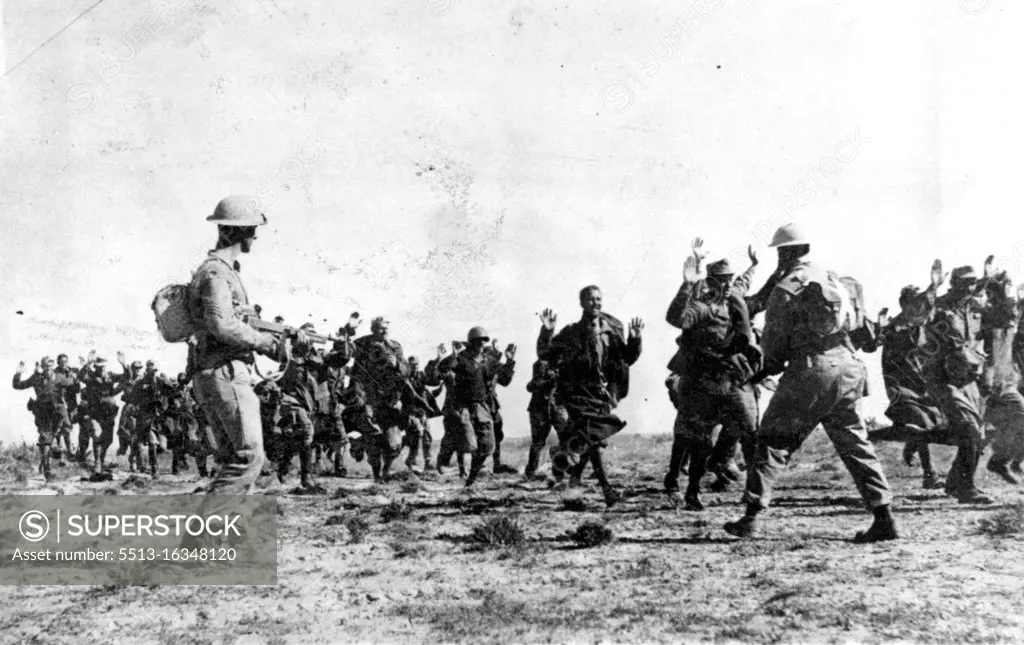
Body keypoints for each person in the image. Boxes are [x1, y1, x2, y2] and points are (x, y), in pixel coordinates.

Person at [724, 223, 897, 542]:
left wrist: (758, 372)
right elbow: (863, 334)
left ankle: (751, 517)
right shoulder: (839, 281)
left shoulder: (787, 288)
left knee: (773, 440)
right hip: (848, 369)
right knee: (855, 443)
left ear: (784, 253)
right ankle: (883, 515)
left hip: (811, 372)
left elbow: (774, 349)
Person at [185, 195, 292, 495]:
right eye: (250, 229)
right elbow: (221, 325)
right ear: (235, 231)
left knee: (234, 460)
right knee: (248, 459)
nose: (255, 236)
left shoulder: (221, 271)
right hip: (226, 374)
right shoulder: (217, 272)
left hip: (217, 373)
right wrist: (265, 344)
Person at [665, 255, 762, 511]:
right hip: (703, 381)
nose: (728, 284)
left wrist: (756, 265)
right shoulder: (701, 307)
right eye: (722, 280)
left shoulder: (735, 300)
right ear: (711, 282)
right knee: (698, 439)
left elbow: (746, 281)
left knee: (750, 431)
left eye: (730, 278)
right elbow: (677, 319)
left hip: (733, 379)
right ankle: (691, 490)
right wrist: (686, 285)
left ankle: (755, 492)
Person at [537, 286, 643, 507]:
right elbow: (545, 354)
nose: (596, 303)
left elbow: (627, 358)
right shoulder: (571, 332)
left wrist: (635, 340)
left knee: (589, 439)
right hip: (577, 394)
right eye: (591, 299)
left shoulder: (613, 329)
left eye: (599, 299)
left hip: (602, 394)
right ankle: (607, 491)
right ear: (582, 303)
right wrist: (547, 332)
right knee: (594, 440)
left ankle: (571, 473)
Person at [434, 327, 516, 487]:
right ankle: (445, 459)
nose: (480, 343)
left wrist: (510, 361)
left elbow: (505, 380)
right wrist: (454, 354)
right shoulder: (461, 359)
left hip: (482, 406)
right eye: (477, 341)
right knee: (469, 444)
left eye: (483, 340)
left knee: (487, 445)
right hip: (462, 407)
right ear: (470, 342)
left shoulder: (488, 360)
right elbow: (442, 368)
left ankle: (471, 479)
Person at [347, 317, 410, 480]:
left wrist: (396, 363)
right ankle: (377, 475)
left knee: (394, 444)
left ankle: (386, 469)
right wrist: (347, 333)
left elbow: (406, 370)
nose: (384, 331)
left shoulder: (395, 346)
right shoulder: (362, 344)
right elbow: (346, 351)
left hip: (389, 400)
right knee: (374, 438)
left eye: (386, 327)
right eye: (380, 328)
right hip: (368, 398)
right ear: (373, 329)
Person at [13, 356, 77, 480]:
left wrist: (70, 373)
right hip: (43, 412)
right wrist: (18, 373)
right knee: (45, 439)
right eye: (46, 366)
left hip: (58, 411)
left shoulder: (59, 377)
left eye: (50, 366)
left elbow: (71, 383)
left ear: (53, 367)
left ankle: (65, 450)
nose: (48, 368)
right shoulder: (36, 377)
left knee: (66, 428)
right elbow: (18, 385)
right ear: (42, 367)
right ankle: (47, 469)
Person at [77, 355, 127, 474]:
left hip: (109, 413)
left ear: (106, 366)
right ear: (95, 367)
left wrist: (124, 365)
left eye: (103, 367)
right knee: (97, 436)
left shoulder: (110, 376)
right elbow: (80, 376)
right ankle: (98, 463)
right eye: (98, 367)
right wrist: (87, 364)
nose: (101, 369)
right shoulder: (91, 377)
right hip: (95, 412)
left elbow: (126, 377)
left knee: (108, 439)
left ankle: (101, 460)